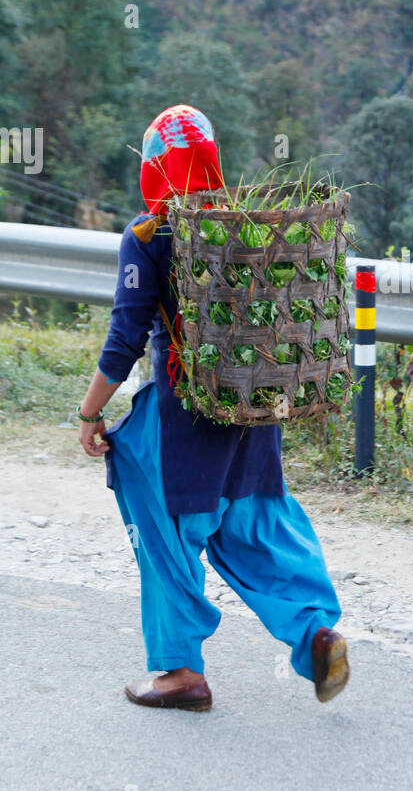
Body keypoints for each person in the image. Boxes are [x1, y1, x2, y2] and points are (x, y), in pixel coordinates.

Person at [77, 103, 349, 711]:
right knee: (255, 524)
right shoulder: (243, 224)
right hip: (253, 413)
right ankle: (314, 634)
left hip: (183, 419)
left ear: (153, 166)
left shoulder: (151, 234)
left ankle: (178, 672)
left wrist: (91, 414)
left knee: (164, 528)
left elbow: (125, 339)